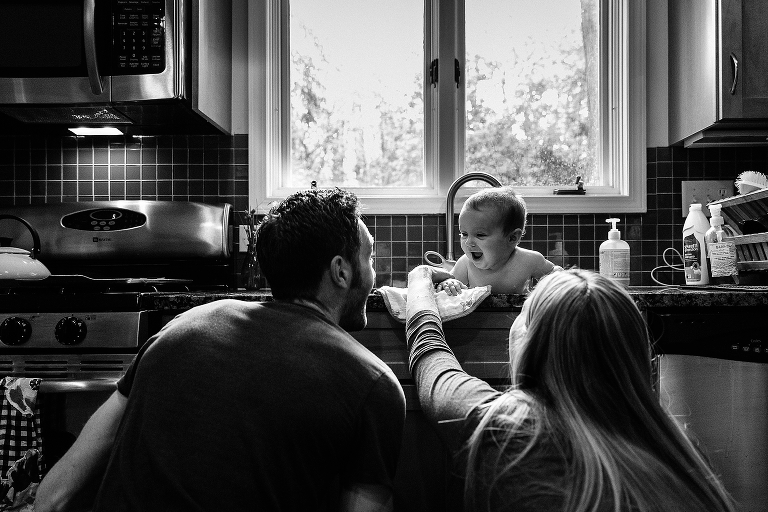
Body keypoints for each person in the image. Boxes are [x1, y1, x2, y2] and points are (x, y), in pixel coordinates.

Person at [35, 188, 406, 512]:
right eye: (369, 259)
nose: (373, 274)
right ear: (340, 271)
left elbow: (54, 497)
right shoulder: (371, 382)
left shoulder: (182, 327)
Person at [405, 265, 736, 512]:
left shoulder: (509, 432)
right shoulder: (680, 453)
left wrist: (419, 278)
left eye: (524, 313)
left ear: (533, 343)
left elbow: (431, 358)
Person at [437, 186, 561, 295]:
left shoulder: (529, 261)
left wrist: (548, 285)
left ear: (512, 238)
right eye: (464, 234)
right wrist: (449, 283)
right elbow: (449, 281)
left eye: (480, 235)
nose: (468, 242)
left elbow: (556, 274)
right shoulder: (466, 264)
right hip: (480, 321)